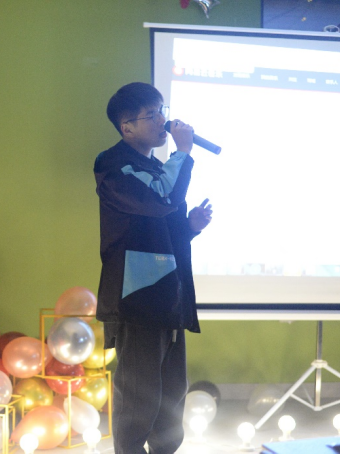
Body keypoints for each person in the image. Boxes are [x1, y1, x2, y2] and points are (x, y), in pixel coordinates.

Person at [93, 82, 213, 454]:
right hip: (137, 295)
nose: (163, 120)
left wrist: (189, 227)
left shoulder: (158, 167)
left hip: (167, 294)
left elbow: (163, 227)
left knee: (172, 393)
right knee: (138, 395)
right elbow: (159, 197)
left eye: (162, 110)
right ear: (127, 127)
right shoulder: (113, 165)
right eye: (152, 114)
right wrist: (184, 152)